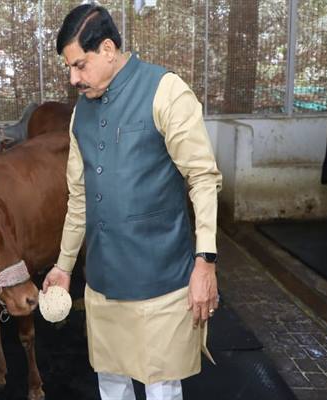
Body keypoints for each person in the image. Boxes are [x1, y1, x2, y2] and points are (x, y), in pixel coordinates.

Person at [42, 4, 222, 400]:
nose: (73, 78)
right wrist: (63, 266)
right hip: (103, 286)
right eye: (69, 68)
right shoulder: (80, 115)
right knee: (112, 384)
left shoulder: (166, 91)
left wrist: (205, 262)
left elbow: (203, 178)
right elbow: (79, 198)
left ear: (108, 49)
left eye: (79, 65)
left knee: (161, 387)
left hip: (161, 283)